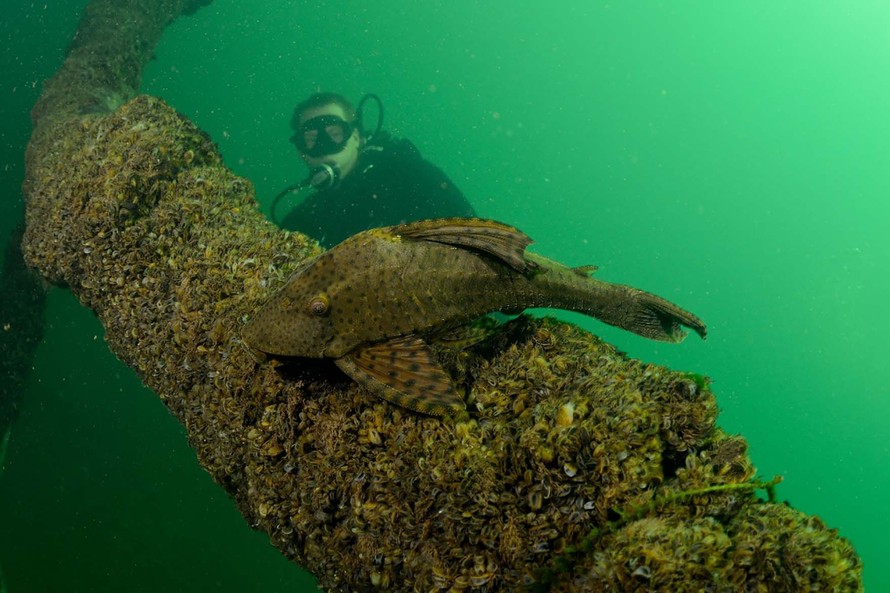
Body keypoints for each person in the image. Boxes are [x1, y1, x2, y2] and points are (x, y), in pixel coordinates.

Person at [275, 92, 476, 247]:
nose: (323, 145)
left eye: (334, 134)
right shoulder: (300, 222)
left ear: (356, 137)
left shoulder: (410, 176)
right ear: (300, 150)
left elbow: (471, 238)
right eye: (311, 139)